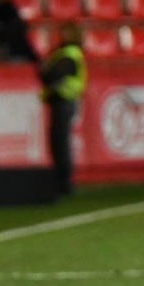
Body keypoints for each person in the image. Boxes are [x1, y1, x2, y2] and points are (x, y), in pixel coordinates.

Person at [38, 22, 86, 196]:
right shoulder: (62, 52)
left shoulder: (69, 54)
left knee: (60, 142)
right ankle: (61, 180)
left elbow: (51, 74)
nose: (63, 35)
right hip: (59, 101)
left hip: (64, 100)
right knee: (58, 141)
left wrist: (46, 69)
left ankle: (64, 182)